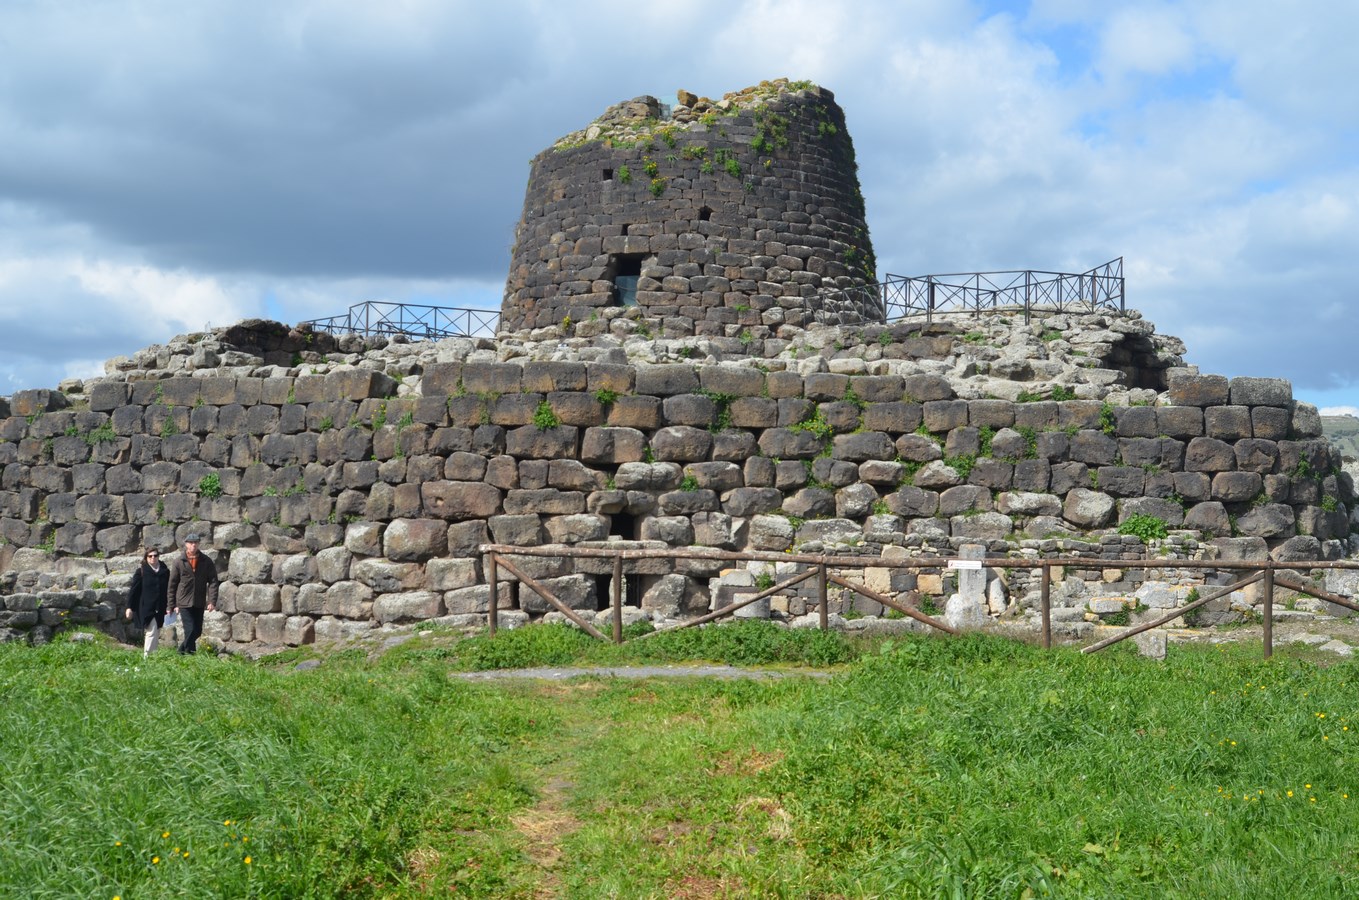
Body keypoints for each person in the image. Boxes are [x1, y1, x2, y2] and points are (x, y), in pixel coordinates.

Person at [168, 533, 218, 655]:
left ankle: (182, 652)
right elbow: (172, 584)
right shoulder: (179, 561)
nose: (193, 545)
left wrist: (212, 601)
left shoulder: (206, 561)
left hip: (199, 601)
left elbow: (213, 581)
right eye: (191, 543)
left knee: (197, 631)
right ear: (186, 544)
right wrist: (171, 605)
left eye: (195, 542)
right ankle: (190, 654)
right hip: (184, 601)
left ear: (198, 544)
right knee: (189, 629)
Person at [124, 546, 170, 658]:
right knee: (152, 631)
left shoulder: (165, 571)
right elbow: (133, 590)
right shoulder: (141, 571)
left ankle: (153, 657)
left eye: (155, 556)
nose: (153, 558)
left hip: (160, 606)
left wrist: (171, 605)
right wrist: (129, 607)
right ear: (146, 557)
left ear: (158, 557)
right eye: (150, 556)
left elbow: (169, 589)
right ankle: (147, 658)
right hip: (146, 606)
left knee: (156, 631)